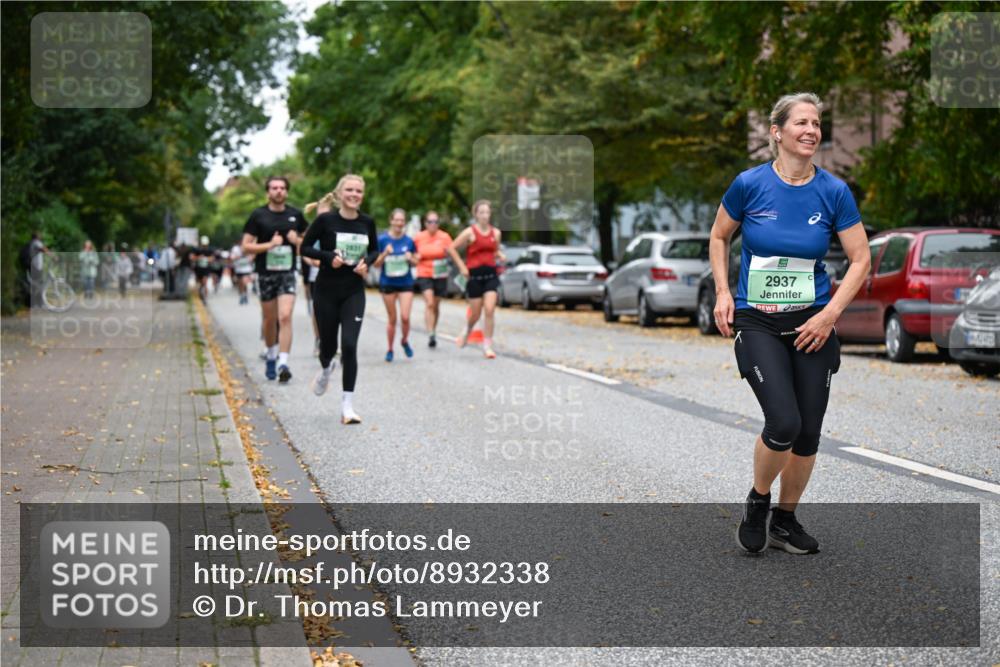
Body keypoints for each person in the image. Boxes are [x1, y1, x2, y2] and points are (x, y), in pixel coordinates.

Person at [709, 92, 870, 555]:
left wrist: (829, 314)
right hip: (758, 321)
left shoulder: (833, 191)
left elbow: (860, 259)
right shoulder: (749, 184)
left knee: (807, 432)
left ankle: (785, 520)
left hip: (812, 325)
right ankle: (758, 502)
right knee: (783, 421)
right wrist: (723, 291)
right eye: (801, 122)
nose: (811, 131)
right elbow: (720, 236)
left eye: (817, 123)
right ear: (776, 132)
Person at [300, 175, 378, 425]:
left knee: (350, 346)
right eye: (350, 190)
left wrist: (367, 262)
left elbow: (374, 249)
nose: (354, 194)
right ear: (340, 193)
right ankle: (325, 369)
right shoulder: (326, 220)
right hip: (326, 290)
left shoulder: (367, 222)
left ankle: (347, 407)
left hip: (354, 290)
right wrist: (328, 257)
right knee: (328, 347)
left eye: (359, 191)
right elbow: (305, 248)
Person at [241, 176, 308, 383]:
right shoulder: (258, 215)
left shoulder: (295, 215)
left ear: (286, 192)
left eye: (282, 188)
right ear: (268, 192)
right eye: (274, 188)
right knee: (270, 320)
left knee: (285, 316)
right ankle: (271, 354)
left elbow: (308, 242)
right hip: (266, 272)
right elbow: (246, 246)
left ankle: (283, 362)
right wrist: (269, 245)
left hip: (288, 272)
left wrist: (295, 240)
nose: (278, 191)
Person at [451, 200, 502, 358]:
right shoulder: (469, 232)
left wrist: (500, 255)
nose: (485, 216)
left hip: (491, 275)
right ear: (476, 215)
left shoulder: (496, 233)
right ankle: (467, 329)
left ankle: (487, 345)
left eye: (487, 212)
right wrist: (462, 266)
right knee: (475, 313)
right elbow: (451, 248)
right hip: (474, 276)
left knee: (489, 309)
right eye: (482, 213)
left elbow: (495, 251)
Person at [413, 211, 466, 347]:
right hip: (424, 273)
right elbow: (412, 256)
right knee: (429, 303)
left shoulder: (444, 237)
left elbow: (452, 252)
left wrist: (462, 267)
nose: (433, 224)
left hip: (440, 274)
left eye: (436, 222)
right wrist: (414, 258)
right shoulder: (419, 237)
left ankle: (433, 329)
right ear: (425, 223)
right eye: (430, 222)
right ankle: (430, 334)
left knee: (436, 305)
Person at [373, 209, 418, 361]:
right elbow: (376, 265)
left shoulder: (409, 241)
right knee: (392, 319)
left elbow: (417, 261)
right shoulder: (382, 240)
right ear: (391, 221)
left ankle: (404, 340)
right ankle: (390, 349)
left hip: (406, 283)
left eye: (402, 220)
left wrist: (410, 258)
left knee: (405, 317)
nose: (399, 223)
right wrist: (385, 254)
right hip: (388, 283)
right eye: (396, 220)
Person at [192, 235, 216, 301]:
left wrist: (206, 258)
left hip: (206, 268)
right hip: (198, 269)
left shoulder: (210, 250)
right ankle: (200, 291)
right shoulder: (196, 250)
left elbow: (212, 258)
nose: (204, 246)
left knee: (205, 282)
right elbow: (192, 258)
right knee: (199, 282)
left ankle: (205, 297)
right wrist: (198, 257)